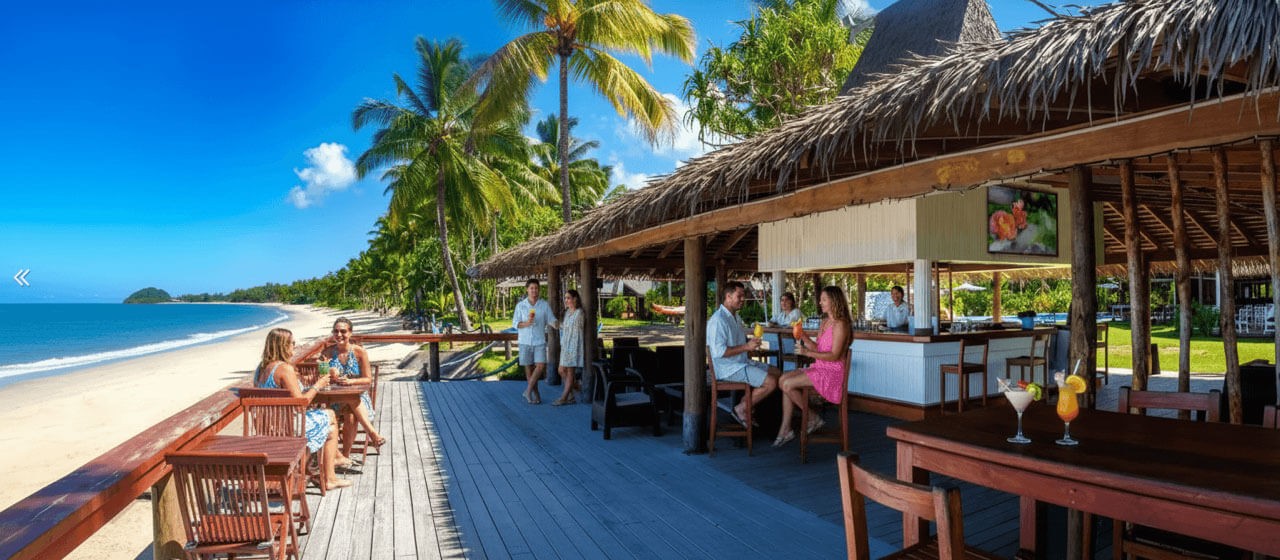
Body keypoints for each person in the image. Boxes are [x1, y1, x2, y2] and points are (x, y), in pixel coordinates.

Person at [252, 328, 351, 490]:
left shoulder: (260, 369)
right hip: (288, 427)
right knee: (331, 417)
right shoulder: (284, 369)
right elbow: (301, 403)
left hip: (268, 426)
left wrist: (311, 382)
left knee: (329, 422)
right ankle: (329, 474)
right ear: (283, 346)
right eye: (292, 344)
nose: (294, 347)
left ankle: (323, 467)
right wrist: (319, 384)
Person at [774, 286, 852, 447]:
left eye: (824, 299)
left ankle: (810, 418)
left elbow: (834, 355)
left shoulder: (841, 324)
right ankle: (788, 427)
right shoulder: (824, 322)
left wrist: (807, 353)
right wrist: (804, 337)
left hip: (832, 372)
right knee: (782, 379)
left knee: (787, 384)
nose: (820, 302)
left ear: (834, 301)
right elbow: (819, 349)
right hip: (820, 367)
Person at [707, 281, 780, 426]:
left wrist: (750, 346)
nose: (743, 299)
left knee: (777, 372)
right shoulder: (718, 320)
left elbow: (739, 345)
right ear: (728, 296)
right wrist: (746, 347)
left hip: (741, 363)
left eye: (743, 296)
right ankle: (741, 408)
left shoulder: (735, 317)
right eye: (739, 296)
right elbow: (719, 352)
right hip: (729, 368)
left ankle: (747, 404)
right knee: (771, 382)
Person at [321, 317, 386, 459]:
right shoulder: (327, 353)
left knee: (351, 415)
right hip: (335, 399)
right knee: (350, 406)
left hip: (359, 398)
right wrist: (327, 370)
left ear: (350, 333)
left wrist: (350, 382)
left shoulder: (359, 352)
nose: (339, 335)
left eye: (343, 331)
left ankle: (344, 455)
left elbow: (368, 379)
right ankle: (372, 433)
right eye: (336, 331)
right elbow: (322, 379)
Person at [513, 278, 558, 404]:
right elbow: (515, 324)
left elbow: (551, 319)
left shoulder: (544, 305)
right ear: (527, 289)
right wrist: (526, 323)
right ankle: (535, 395)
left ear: (539, 290)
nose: (534, 291)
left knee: (540, 366)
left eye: (536, 288)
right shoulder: (520, 306)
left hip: (539, 341)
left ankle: (527, 391)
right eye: (531, 288)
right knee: (529, 369)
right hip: (524, 341)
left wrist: (558, 324)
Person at [550, 289, 584, 406]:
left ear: (575, 299)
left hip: (573, 346)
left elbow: (577, 330)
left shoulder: (579, 313)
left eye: (568, 298)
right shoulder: (567, 313)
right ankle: (575, 388)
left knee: (569, 372)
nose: (566, 300)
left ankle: (564, 397)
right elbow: (565, 327)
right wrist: (557, 324)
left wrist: (563, 326)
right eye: (565, 298)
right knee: (561, 370)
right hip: (566, 345)